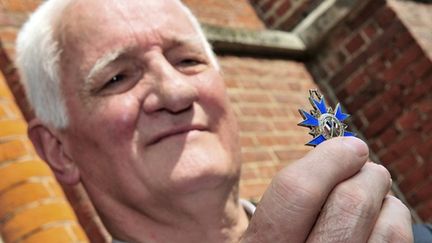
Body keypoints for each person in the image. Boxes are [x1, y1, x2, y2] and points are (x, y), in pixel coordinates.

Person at [15, 0, 413, 242]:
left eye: (188, 61)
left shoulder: (394, 230)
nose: (176, 93)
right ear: (59, 151)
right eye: (117, 78)